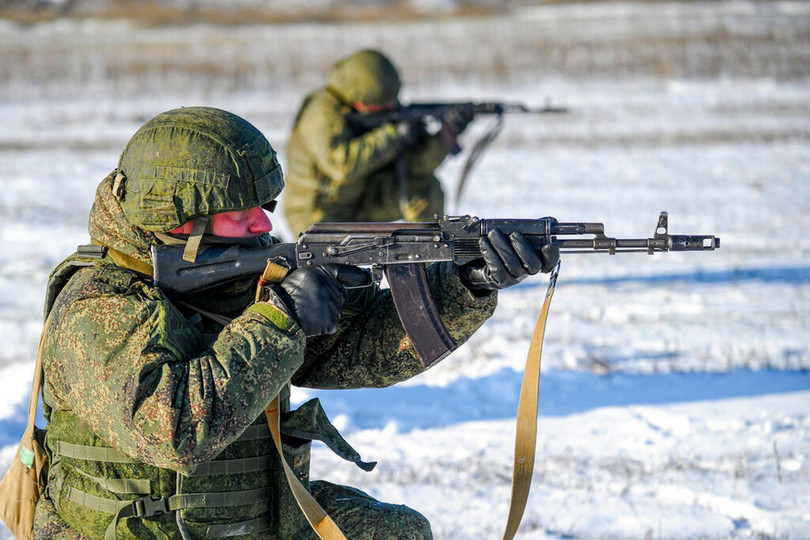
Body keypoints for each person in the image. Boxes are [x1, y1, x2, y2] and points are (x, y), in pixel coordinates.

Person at [33, 106, 558, 539]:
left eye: (265, 206)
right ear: (178, 220)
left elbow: (358, 351)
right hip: (138, 529)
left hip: (253, 509)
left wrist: (464, 283)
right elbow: (172, 432)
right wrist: (280, 319)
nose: (264, 224)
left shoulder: (238, 269)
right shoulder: (97, 305)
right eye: (241, 213)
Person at [283, 49, 473, 236]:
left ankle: (433, 260)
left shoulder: (383, 111)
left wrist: (445, 137)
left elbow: (416, 166)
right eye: (382, 104)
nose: (390, 107)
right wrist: (392, 136)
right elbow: (341, 166)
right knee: (334, 267)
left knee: (424, 189)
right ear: (360, 100)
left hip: (363, 200)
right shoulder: (321, 112)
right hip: (319, 213)